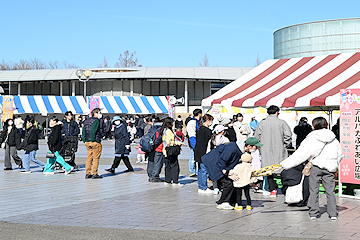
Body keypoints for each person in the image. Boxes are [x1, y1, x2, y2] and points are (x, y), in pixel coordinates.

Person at [280, 117, 343, 220]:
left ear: (314, 126)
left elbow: (301, 154)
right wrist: (334, 164)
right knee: (330, 191)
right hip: (330, 168)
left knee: (314, 190)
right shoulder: (334, 139)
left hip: (316, 166)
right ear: (326, 125)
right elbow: (339, 155)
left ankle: (313, 213)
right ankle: (333, 214)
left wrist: (285, 164)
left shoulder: (311, 138)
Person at [201, 137, 263, 210]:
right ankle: (223, 202)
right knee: (228, 182)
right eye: (256, 146)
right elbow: (221, 161)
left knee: (235, 180)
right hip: (214, 163)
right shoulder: (232, 148)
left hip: (224, 165)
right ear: (249, 146)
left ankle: (232, 201)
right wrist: (229, 174)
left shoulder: (243, 151)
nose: (257, 148)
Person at [254, 105, 292, 197]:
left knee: (269, 170)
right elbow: (288, 136)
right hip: (280, 149)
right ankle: (285, 188)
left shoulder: (262, 123)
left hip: (265, 150)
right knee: (282, 169)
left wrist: (261, 147)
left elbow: (256, 137)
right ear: (277, 112)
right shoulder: (282, 123)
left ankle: (272, 190)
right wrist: (285, 145)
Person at [207, 124, 230, 194]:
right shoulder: (225, 139)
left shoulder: (212, 139)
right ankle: (223, 186)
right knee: (223, 172)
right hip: (222, 158)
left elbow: (208, 150)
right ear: (222, 131)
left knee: (214, 173)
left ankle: (215, 188)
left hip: (213, 157)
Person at [194, 114, 214, 194]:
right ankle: (204, 187)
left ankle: (201, 186)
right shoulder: (207, 131)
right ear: (208, 121)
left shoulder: (199, 129)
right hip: (204, 152)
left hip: (198, 151)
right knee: (204, 170)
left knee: (200, 170)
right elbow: (208, 143)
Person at [162, 117, 183, 187]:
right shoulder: (169, 131)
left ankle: (167, 180)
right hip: (171, 150)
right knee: (174, 166)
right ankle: (175, 181)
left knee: (167, 166)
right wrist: (178, 143)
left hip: (165, 151)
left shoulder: (164, 130)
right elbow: (169, 142)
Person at [82, 108, 103, 179]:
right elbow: (93, 131)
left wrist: (84, 140)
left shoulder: (86, 120)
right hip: (94, 141)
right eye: (99, 113)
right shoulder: (96, 121)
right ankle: (95, 173)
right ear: (95, 113)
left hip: (87, 142)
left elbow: (83, 131)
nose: (100, 114)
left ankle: (88, 173)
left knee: (89, 158)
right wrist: (94, 140)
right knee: (96, 158)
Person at [186, 109, 202, 177]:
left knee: (195, 157)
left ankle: (196, 171)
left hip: (197, 142)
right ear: (199, 114)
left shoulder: (198, 122)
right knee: (193, 157)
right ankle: (192, 171)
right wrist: (194, 145)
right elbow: (191, 135)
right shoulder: (192, 122)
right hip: (194, 142)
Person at [147, 117, 164, 182]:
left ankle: (150, 176)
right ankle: (155, 176)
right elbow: (159, 140)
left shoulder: (151, 128)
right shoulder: (161, 129)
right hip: (158, 148)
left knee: (151, 162)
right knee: (157, 163)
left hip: (150, 148)